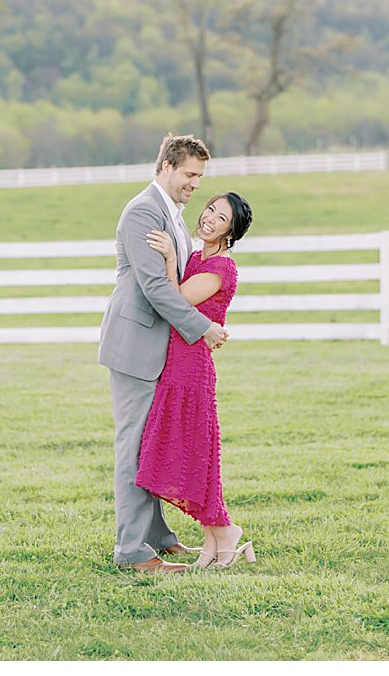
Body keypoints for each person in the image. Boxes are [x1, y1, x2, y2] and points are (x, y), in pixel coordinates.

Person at [98, 134, 228, 574]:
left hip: (159, 351)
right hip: (136, 347)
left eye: (199, 176)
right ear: (167, 167)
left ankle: (157, 537)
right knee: (133, 449)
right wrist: (202, 328)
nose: (195, 184)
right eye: (190, 174)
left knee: (150, 447)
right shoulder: (142, 212)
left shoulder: (171, 212)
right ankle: (132, 552)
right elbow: (155, 287)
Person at [135, 190, 254, 568]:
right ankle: (215, 540)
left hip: (192, 368)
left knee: (195, 451)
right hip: (174, 362)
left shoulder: (222, 268)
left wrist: (170, 257)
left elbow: (178, 297)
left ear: (230, 232)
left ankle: (224, 531)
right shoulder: (198, 256)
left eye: (220, 219)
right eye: (209, 210)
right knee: (188, 448)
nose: (209, 219)